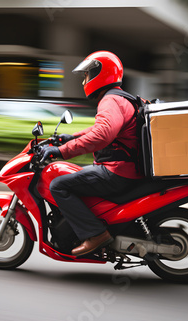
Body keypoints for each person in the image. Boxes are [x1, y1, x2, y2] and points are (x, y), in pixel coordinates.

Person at [39, 51, 143, 256]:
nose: (85, 80)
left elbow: (101, 136)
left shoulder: (110, 101)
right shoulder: (120, 98)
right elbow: (101, 130)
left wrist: (61, 151)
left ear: (99, 74)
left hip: (118, 172)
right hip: (127, 169)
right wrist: (71, 138)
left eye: (87, 75)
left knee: (59, 185)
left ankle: (96, 234)